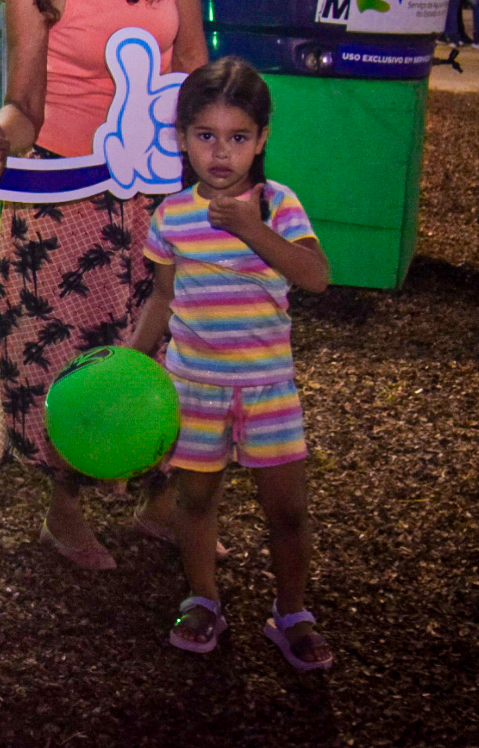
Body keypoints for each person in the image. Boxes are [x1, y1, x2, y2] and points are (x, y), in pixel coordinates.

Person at [0, 0, 209, 570]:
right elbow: (25, 104)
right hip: (70, 198)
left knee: (170, 348)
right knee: (73, 359)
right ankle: (65, 511)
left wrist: (220, 163)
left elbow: (193, 63)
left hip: (162, 193)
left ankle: (159, 501)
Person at [127, 56, 333, 670]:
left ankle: (292, 611)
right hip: (196, 386)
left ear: (262, 139)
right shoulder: (171, 217)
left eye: (238, 138)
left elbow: (316, 277)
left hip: (268, 388)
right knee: (195, 501)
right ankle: (202, 598)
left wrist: (253, 229)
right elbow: (163, 298)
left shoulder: (278, 204)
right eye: (206, 136)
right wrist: (132, 364)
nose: (221, 153)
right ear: (183, 137)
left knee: (289, 510)